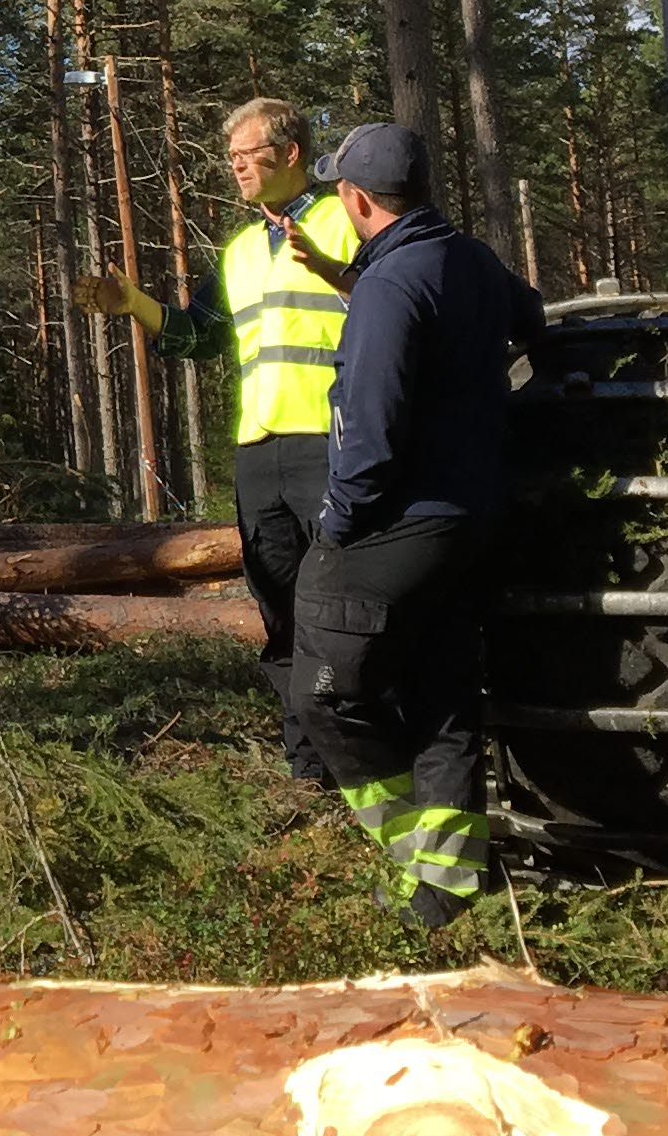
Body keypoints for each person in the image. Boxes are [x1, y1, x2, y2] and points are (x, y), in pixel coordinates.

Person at [292, 121, 543, 931]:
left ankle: (409, 855)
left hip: (399, 524)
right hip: (476, 521)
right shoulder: (470, 262)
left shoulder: (391, 285)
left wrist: (337, 523)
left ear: (357, 200)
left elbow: (369, 425)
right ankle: (446, 894)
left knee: (325, 695)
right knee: (442, 702)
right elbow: (531, 318)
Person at [160, 99, 362, 781]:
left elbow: (404, 303)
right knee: (281, 613)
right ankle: (310, 770)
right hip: (261, 455)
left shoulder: (349, 218)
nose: (237, 165)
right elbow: (198, 335)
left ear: (293, 152)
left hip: (335, 445)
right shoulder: (241, 249)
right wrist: (131, 304)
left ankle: (368, 758)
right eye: (232, 157)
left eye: (250, 153)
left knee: (343, 606)